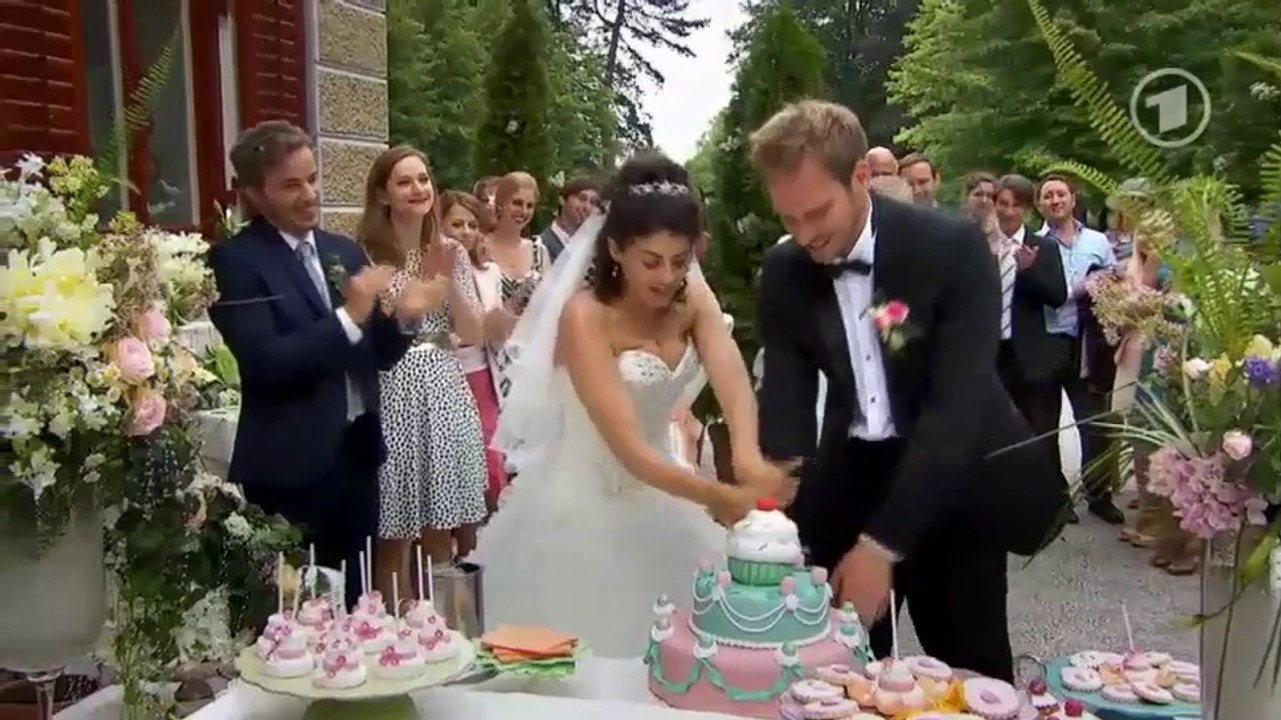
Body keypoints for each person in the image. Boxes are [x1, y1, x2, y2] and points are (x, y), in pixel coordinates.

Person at [750, 100, 1066, 681]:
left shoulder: (949, 249)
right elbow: (788, 404)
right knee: (834, 667)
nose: (805, 235)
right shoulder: (785, 270)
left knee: (971, 666)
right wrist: (767, 509)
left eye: (817, 213)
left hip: (954, 473)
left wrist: (883, 546)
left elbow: (958, 405)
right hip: (853, 473)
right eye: (788, 219)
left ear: (861, 177)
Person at [470, 153, 797, 658]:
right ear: (617, 250)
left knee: (686, 658)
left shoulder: (692, 295)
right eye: (651, 261)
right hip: (583, 503)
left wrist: (750, 458)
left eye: (679, 261)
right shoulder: (585, 315)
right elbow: (625, 444)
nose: (667, 277)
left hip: (664, 487)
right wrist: (716, 494)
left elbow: (732, 378)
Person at [208, 122, 440, 604]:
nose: (310, 194)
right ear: (255, 193)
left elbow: (377, 354)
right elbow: (267, 362)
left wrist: (402, 320)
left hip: (357, 459)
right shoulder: (236, 262)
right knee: (296, 618)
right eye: (292, 185)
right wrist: (350, 316)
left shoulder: (342, 250)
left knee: (358, 605)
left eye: (313, 178)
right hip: (289, 471)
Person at [357, 148, 488, 597]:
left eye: (424, 179)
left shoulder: (451, 251)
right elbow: (371, 329)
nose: (418, 189)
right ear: (383, 194)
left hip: (444, 384)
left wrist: (446, 278)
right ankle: (391, 628)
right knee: (395, 525)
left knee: (442, 522)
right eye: (405, 181)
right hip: (391, 385)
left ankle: (438, 630)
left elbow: (472, 332)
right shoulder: (366, 254)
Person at [537, 175, 600, 263]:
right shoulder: (541, 245)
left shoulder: (593, 248)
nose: (587, 207)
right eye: (582, 198)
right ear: (562, 199)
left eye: (593, 202)